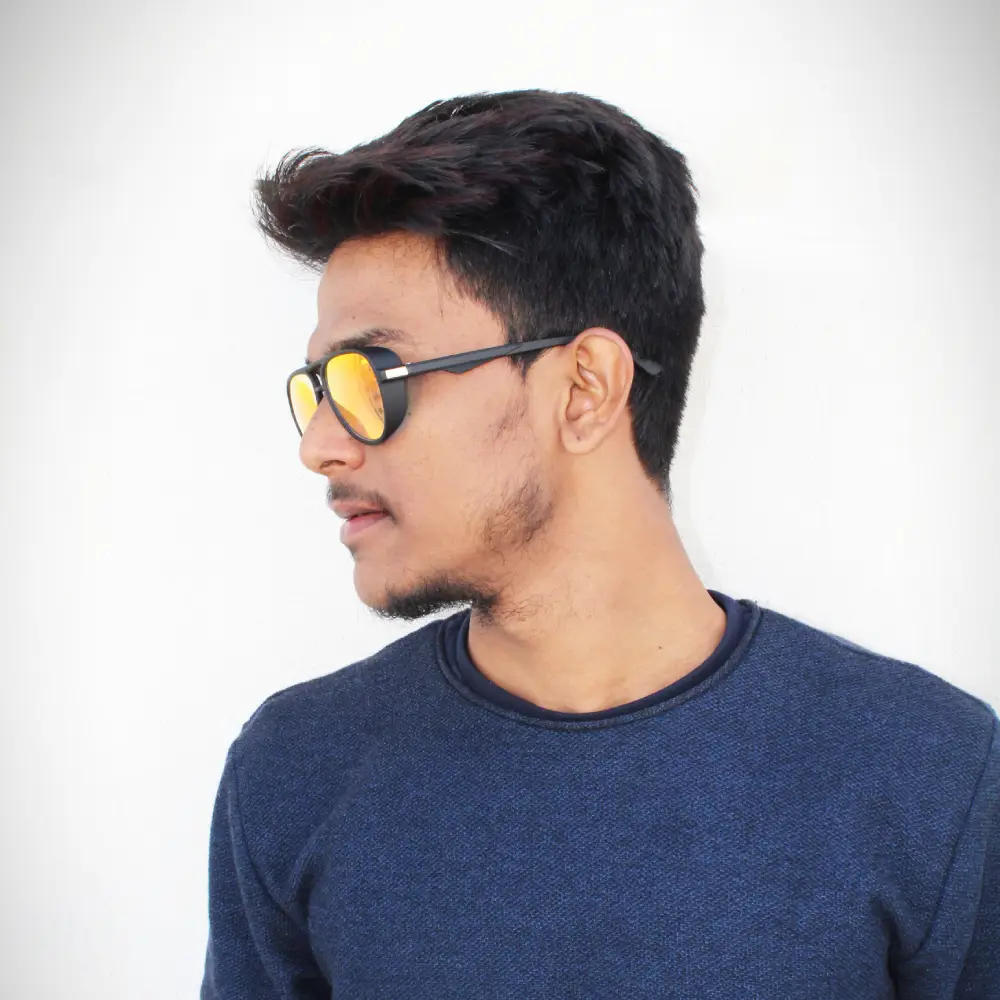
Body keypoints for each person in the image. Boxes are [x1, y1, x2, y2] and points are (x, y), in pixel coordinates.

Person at [200, 89, 998, 999]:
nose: (320, 446)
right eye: (317, 390)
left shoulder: (930, 772)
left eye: (370, 378)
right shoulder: (296, 771)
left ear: (584, 388)